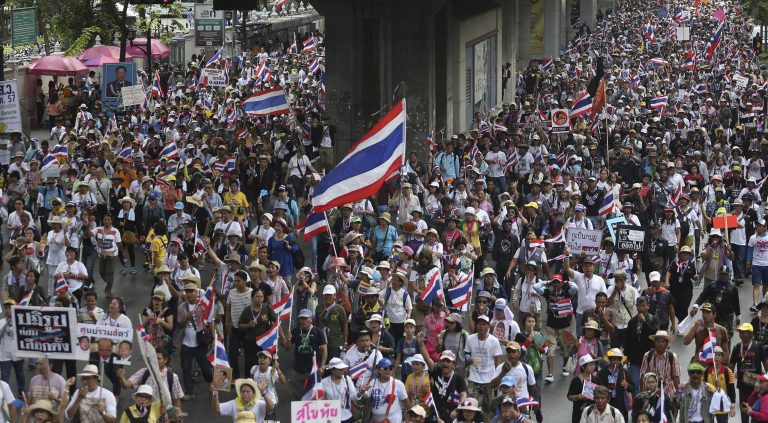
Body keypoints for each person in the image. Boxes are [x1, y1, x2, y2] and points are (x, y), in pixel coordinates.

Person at [177, 275, 215, 400]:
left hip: (200, 342)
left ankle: (211, 382)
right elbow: (179, 324)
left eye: (191, 291)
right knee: (186, 368)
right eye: (186, 292)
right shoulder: (182, 307)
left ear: (196, 292)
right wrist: (185, 318)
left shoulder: (202, 305)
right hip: (186, 343)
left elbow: (210, 321)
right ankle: (189, 392)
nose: (188, 294)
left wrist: (214, 339)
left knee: (205, 367)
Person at [116, 348, 184, 410]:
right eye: (154, 358)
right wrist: (121, 377)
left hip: (163, 414)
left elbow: (176, 400)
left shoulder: (173, 377)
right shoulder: (144, 372)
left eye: (159, 358)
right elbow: (126, 385)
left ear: (165, 360)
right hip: (144, 412)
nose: (156, 360)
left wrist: (178, 418)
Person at [465, 315, 504, 414]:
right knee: (472, 407)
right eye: (479, 324)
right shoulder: (470, 339)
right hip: (473, 378)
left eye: (484, 324)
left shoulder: (494, 341)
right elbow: (467, 355)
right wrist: (468, 360)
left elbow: (497, 361)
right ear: (476, 325)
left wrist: (496, 378)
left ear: (488, 326)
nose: (481, 327)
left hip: (489, 379)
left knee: (488, 408)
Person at [357, 358, 411, 423]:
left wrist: (408, 417)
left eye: (390, 368)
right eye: (385, 368)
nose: (388, 370)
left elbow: (406, 402)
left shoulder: (398, 383)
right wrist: (362, 392)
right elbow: (365, 398)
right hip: (376, 420)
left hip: (394, 420)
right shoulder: (373, 382)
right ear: (379, 370)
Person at [321, 358, 357, 423]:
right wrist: (325, 417)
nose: (342, 371)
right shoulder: (324, 382)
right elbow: (321, 402)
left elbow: (353, 396)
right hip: (331, 419)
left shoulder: (347, 379)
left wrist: (360, 392)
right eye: (339, 369)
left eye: (342, 369)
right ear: (332, 370)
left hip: (347, 417)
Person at [0, 299, 24, 395]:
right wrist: (6, 324)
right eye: (6, 308)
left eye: (10, 308)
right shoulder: (1, 322)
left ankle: (22, 393)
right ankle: (4, 396)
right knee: (5, 377)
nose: (8, 310)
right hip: (4, 354)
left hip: (17, 353)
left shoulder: (20, 321)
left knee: (20, 374)